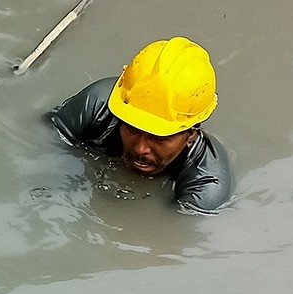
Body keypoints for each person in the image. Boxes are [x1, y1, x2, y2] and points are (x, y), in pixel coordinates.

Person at [47, 36, 232, 214]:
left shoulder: (207, 184)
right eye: (131, 128)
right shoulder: (96, 106)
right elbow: (42, 142)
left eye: (159, 137)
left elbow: (171, 232)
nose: (140, 148)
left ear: (191, 133)